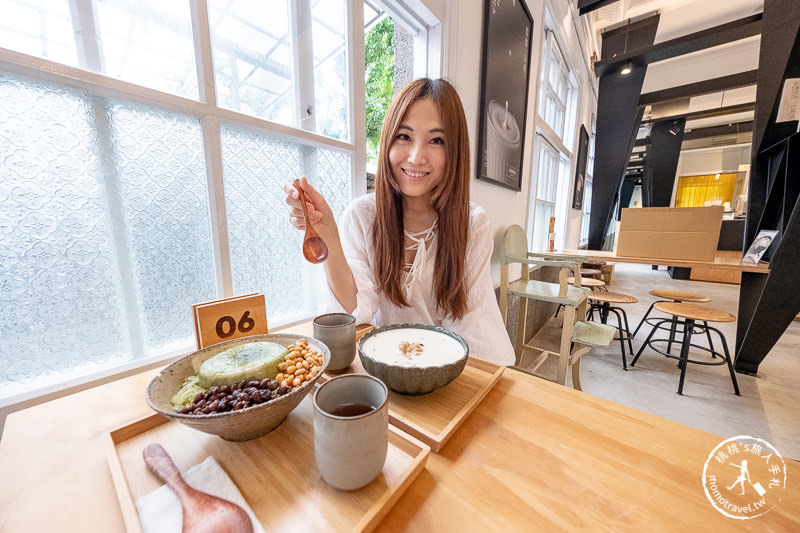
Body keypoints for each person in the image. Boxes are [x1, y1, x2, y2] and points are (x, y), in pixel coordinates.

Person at [284, 78, 515, 366]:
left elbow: (469, 329)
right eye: (404, 137)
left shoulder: (472, 224)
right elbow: (353, 315)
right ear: (387, 141)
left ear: (455, 151)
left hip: (455, 371)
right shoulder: (362, 216)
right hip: (384, 369)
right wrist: (328, 233)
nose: (416, 157)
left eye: (436, 140)